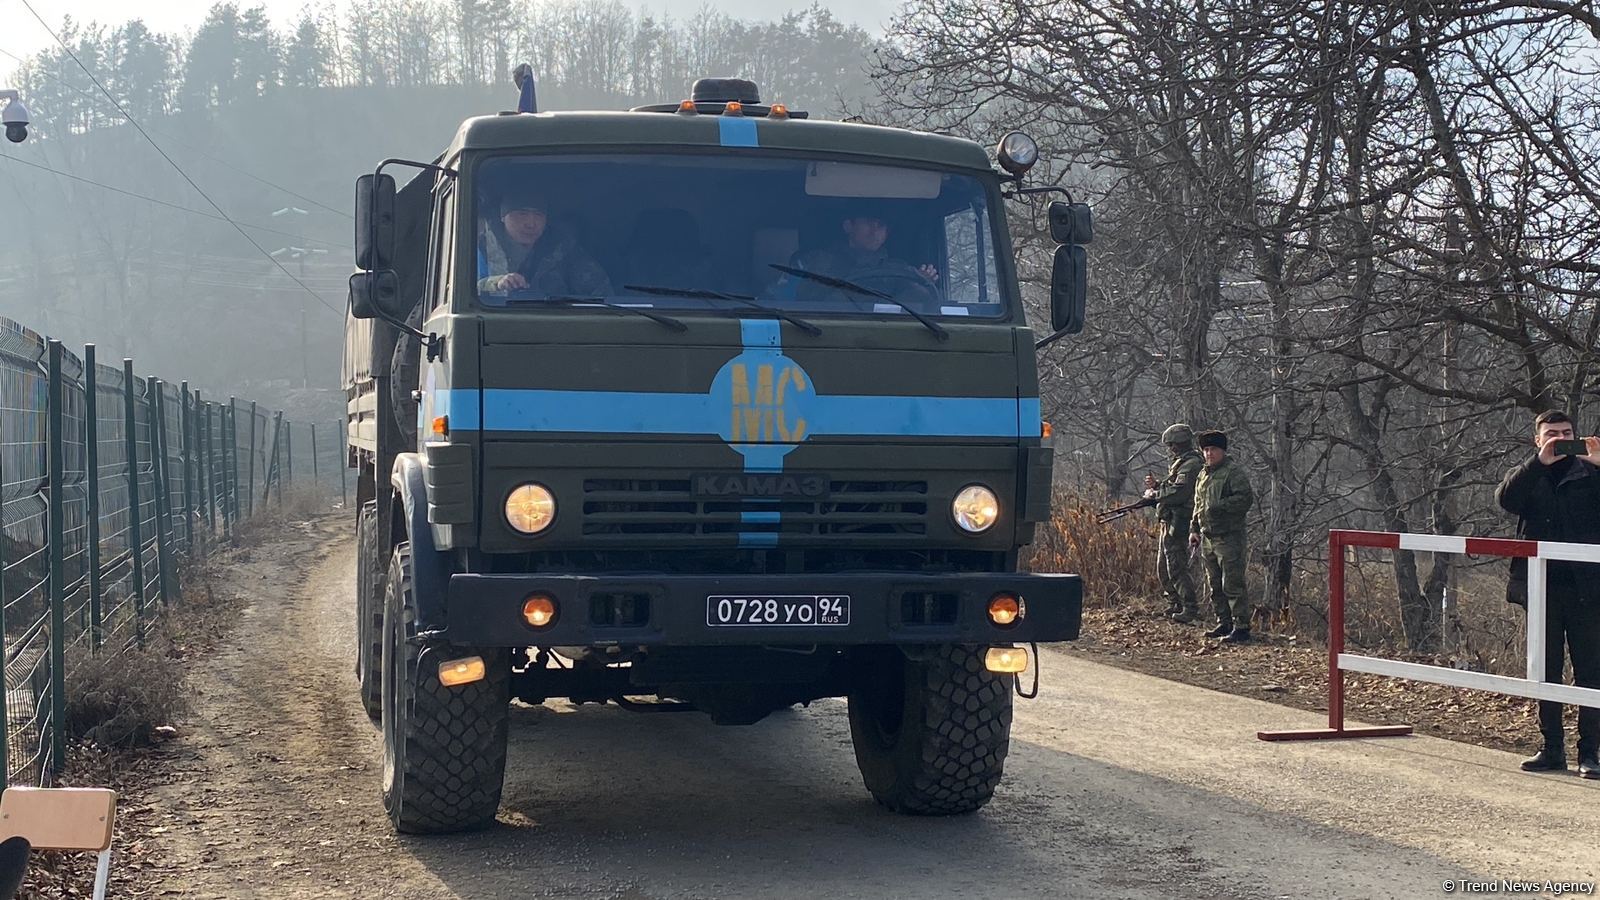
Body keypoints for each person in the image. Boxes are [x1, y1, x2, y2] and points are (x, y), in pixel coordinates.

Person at [1494, 410, 1600, 779]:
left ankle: (1591, 753)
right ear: (1537, 439)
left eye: (1567, 433)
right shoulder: (1528, 475)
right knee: (1546, 671)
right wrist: (1538, 463)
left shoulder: (1590, 472)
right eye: (1551, 434)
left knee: (1591, 671)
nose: (1559, 439)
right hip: (1541, 588)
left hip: (1588, 589)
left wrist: (1598, 464)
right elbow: (1507, 500)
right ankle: (1551, 748)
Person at [477, 188, 612, 298]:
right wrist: (496, 284)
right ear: (503, 217)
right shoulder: (479, 249)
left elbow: (602, 295)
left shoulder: (564, 252)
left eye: (538, 215)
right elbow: (462, 292)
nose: (531, 224)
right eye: (522, 214)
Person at [1188, 430, 1254, 643]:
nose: (1209, 454)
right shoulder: (1203, 474)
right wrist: (1194, 529)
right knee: (1214, 583)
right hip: (1208, 537)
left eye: (1213, 449)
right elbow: (1198, 505)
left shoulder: (1233, 472)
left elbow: (1245, 499)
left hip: (1228, 537)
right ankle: (1224, 622)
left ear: (1222, 451)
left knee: (1232, 583)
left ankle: (1241, 627)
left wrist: (1220, 507)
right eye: (1206, 450)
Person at [788, 214, 939, 302]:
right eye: (868, 223)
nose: (875, 232)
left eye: (880, 226)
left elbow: (921, 310)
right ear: (848, 226)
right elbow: (779, 302)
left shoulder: (901, 271)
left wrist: (922, 283)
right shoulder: (812, 262)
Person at [1144, 423, 1204, 623]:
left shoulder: (1192, 465)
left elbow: (1180, 492)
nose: (1170, 449)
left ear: (1179, 444)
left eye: (1172, 444)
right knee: (1163, 567)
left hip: (1179, 522)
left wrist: (1156, 495)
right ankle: (1175, 603)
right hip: (1168, 519)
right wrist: (1158, 487)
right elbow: (1173, 486)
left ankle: (1189, 607)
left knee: (1176, 566)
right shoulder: (1181, 463)